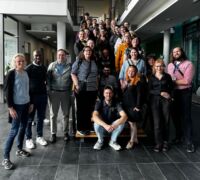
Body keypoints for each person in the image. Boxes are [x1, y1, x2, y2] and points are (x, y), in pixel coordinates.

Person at [2, 53, 33, 170]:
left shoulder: (25, 73)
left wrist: (30, 103)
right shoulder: (11, 74)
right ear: (14, 63)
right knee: (13, 131)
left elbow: (27, 89)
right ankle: (5, 158)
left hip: (26, 105)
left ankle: (19, 149)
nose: (20, 63)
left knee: (23, 128)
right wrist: (10, 108)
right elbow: (7, 92)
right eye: (18, 61)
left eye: (22, 61)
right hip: (16, 107)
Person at [167, 47, 195, 153]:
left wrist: (172, 81)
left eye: (178, 51)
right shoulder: (169, 65)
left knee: (186, 117)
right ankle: (179, 137)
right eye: (174, 52)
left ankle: (189, 142)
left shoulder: (189, 64)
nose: (176, 53)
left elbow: (187, 81)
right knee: (175, 115)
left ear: (182, 52)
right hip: (173, 93)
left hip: (184, 93)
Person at [71, 46, 98, 135]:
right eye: (86, 50)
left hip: (93, 88)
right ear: (83, 52)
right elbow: (73, 73)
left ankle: (88, 126)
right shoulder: (79, 61)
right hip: (82, 87)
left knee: (90, 108)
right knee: (81, 109)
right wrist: (76, 84)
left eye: (90, 50)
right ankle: (80, 128)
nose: (88, 52)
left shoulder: (94, 61)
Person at [47, 49, 72, 143]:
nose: (61, 57)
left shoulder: (70, 66)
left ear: (65, 56)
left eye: (63, 55)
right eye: (59, 55)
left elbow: (72, 78)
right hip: (54, 93)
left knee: (66, 114)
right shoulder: (52, 65)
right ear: (56, 56)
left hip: (66, 92)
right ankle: (53, 133)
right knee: (53, 114)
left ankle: (66, 133)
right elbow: (48, 79)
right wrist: (49, 90)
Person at [92, 85, 127, 150]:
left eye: (110, 93)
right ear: (103, 94)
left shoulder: (116, 103)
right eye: (106, 93)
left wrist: (114, 125)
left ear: (113, 94)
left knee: (122, 122)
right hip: (103, 128)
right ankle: (100, 141)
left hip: (113, 129)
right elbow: (94, 116)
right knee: (96, 122)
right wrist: (105, 125)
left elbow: (124, 116)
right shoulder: (99, 102)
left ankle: (112, 141)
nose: (108, 94)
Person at [149, 59, 173, 152]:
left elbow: (171, 88)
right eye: (157, 66)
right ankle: (158, 143)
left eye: (161, 66)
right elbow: (149, 90)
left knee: (166, 121)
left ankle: (165, 142)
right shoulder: (151, 77)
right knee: (157, 123)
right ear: (154, 67)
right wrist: (160, 92)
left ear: (163, 67)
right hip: (154, 101)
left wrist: (170, 97)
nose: (159, 68)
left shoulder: (167, 76)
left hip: (166, 101)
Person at [25, 49, 48, 149]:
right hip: (31, 98)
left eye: (39, 55)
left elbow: (45, 80)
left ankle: (39, 136)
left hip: (42, 96)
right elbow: (25, 85)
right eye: (36, 56)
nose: (38, 57)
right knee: (30, 119)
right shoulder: (29, 68)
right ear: (33, 57)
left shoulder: (44, 67)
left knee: (40, 118)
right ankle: (28, 139)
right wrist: (29, 100)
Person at [122, 65, 142, 149]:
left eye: (133, 71)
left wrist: (138, 106)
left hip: (133, 106)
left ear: (136, 72)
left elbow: (139, 95)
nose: (130, 72)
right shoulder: (127, 81)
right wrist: (124, 86)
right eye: (129, 71)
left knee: (132, 123)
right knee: (131, 123)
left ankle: (131, 141)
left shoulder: (138, 82)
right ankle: (136, 139)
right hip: (126, 105)